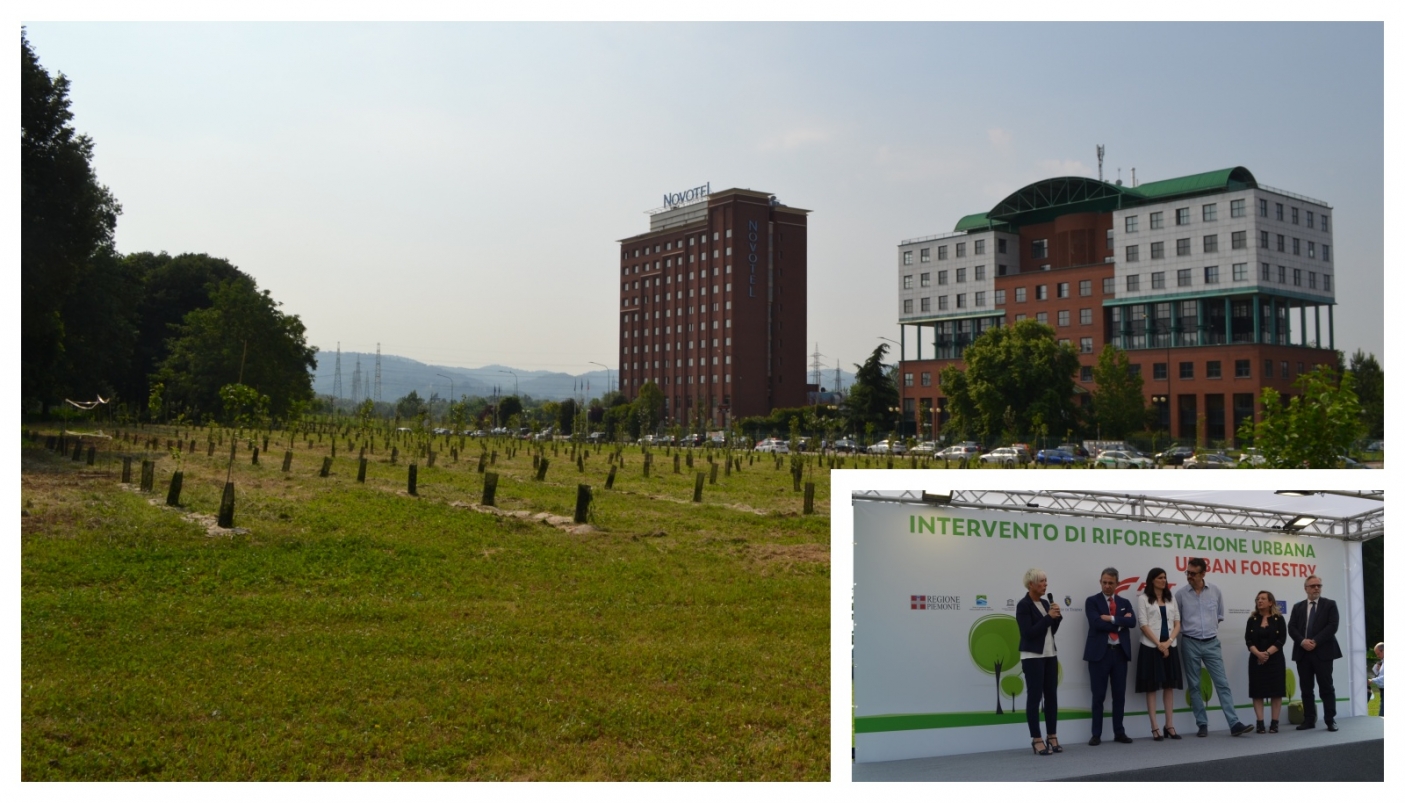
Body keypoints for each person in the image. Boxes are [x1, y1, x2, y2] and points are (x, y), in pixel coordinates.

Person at [1173, 557, 1254, 737]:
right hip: (1189, 642)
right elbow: (1176, 620)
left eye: (1193, 573)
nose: (1189, 576)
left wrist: (1207, 631)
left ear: (1203, 573)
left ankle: (1234, 724)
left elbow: (1218, 616)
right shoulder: (1180, 594)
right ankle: (1202, 724)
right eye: (1188, 573)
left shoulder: (1215, 591)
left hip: (1211, 643)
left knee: (1222, 684)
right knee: (1194, 685)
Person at [1083, 567, 1136, 745]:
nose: (1106, 586)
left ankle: (1119, 732)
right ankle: (1096, 734)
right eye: (1104, 582)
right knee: (1098, 696)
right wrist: (1120, 623)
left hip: (1119, 654)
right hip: (1099, 654)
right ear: (1100, 582)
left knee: (1119, 696)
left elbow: (1132, 622)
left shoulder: (1125, 602)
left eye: (1110, 583)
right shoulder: (1092, 601)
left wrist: (1111, 619)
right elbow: (1096, 623)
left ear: (1117, 584)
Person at [1016, 568, 1062, 755]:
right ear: (1031, 584)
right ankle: (1036, 739)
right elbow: (1028, 633)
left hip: (1050, 654)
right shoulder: (1023, 605)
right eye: (1042, 581)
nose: (1045, 584)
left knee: (1051, 696)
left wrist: (1056, 617)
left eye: (1046, 580)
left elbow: (1050, 630)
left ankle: (1052, 736)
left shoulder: (1044, 603)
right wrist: (1047, 618)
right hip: (1033, 657)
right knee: (1035, 697)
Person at [1135, 567, 1183, 740]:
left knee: (1169, 685)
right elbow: (1143, 623)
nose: (1164, 580)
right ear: (1152, 580)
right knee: (1152, 686)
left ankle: (1169, 724)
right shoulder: (1144, 599)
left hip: (1170, 644)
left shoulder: (1171, 599)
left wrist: (1168, 643)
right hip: (1150, 646)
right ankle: (1154, 726)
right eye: (1160, 577)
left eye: (1165, 577)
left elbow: (1178, 622)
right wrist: (1159, 645)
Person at [1288, 574, 1342, 731]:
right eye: (1313, 586)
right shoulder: (1298, 607)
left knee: (1326, 687)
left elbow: (1332, 626)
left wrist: (1315, 641)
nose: (1316, 588)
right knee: (1306, 688)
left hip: (1323, 652)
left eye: (1319, 585)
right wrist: (1302, 641)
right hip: (1303, 653)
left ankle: (1330, 720)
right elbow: (1291, 627)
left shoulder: (1330, 604)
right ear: (1306, 589)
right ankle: (1309, 720)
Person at [1245, 590, 1287, 733]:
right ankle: (1260, 723)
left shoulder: (1279, 619)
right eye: (1258, 599)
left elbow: (1282, 639)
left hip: (1275, 660)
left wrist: (1267, 653)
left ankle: (1274, 723)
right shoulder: (1252, 620)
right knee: (1257, 692)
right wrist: (1258, 654)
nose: (1259, 601)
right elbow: (1248, 640)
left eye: (1263, 598)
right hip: (1256, 660)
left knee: (1276, 692)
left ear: (1271, 602)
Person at [1370, 643, 1384, 717]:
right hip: (1382, 690)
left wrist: (1372, 681)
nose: (1377, 656)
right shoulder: (1382, 662)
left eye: (1378, 654)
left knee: (1382, 715)